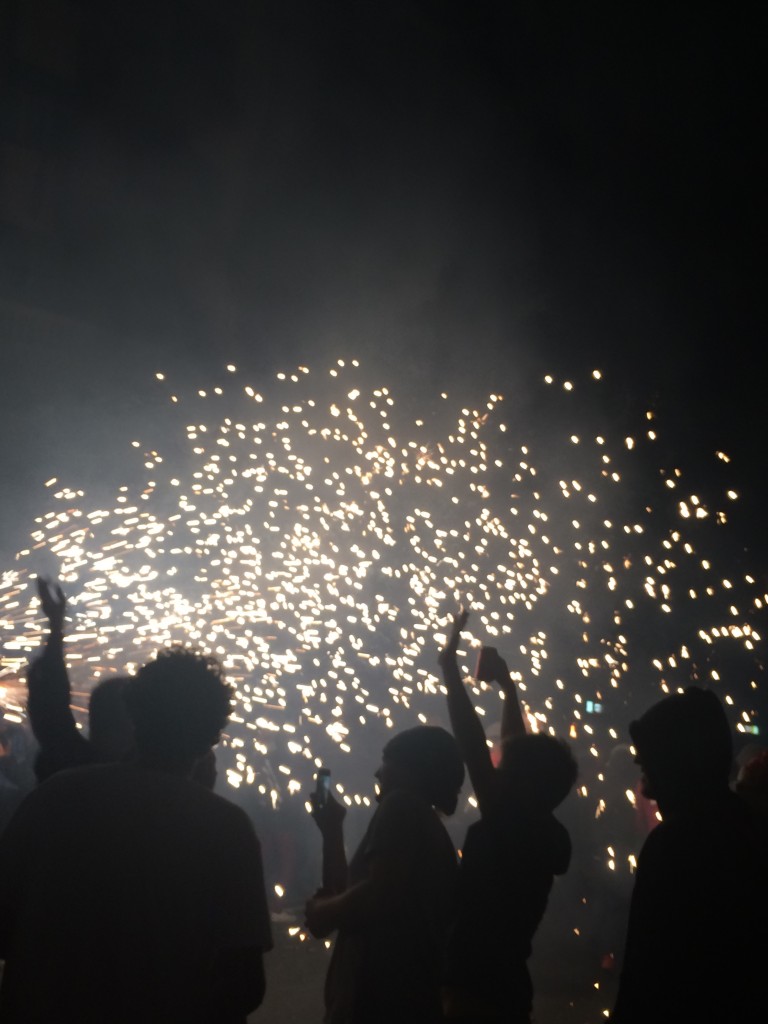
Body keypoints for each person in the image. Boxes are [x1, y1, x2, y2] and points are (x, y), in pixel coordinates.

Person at [0, 646, 272, 1023]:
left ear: (135, 714)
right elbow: (244, 984)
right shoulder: (226, 828)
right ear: (212, 734)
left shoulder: (54, 797)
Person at [438, 608, 578, 1024]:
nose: (493, 768)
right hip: (508, 984)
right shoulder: (541, 828)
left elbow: (470, 740)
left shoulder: (509, 825)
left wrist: (449, 667)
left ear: (517, 783)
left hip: (474, 987)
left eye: (503, 769)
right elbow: (517, 754)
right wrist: (508, 689)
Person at [611, 686, 768, 1023]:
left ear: (673, 759)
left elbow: (648, 967)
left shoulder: (676, 843)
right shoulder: (744, 825)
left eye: (647, 754)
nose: (638, 762)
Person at [304, 724, 465, 1024]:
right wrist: (332, 830)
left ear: (410, 769)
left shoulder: (402, 804)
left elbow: (379, 895)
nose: (378, 774)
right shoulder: (423, 821)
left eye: (385, 762)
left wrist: (322, 911)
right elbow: (352, 897)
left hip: (383, 1001)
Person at [26, 577, 134, 781]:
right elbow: (51, 704)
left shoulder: (71, 765)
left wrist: (56, 626)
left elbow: (50, 706)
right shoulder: (160, 782)